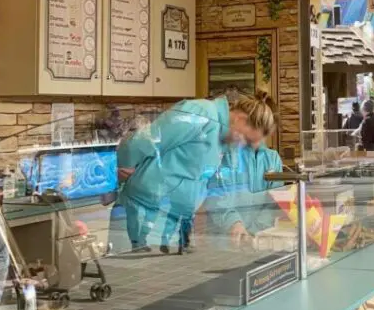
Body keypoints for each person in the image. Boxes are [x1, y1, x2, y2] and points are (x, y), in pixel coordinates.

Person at [117, 92, 275, 254]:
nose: (243, 146)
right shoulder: (200, 113)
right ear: (240, 119)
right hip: (143, 216)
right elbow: (143, 141)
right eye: (247, 140)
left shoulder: (225, 142)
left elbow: (216, 188)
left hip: (174, 224)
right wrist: (123, 169)